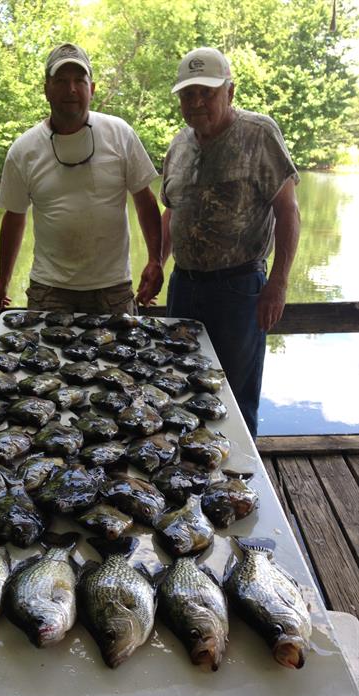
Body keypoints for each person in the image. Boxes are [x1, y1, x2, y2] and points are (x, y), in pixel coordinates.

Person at [161, 47, 300, 438]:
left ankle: (241, 472)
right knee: (179, 388)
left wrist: (279, 282)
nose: (197, 102)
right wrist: (156, 262)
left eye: (207, 92)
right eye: (188, 94)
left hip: (239, 289)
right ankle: (187, 466)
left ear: (230, 91)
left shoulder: (259, 133)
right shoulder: (178, 144)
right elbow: (171, 212)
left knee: (234, 398)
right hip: (183, 286)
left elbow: (288, 211)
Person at [0, 42, 162, 315]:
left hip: (113, 288)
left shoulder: (121, 134)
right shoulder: (23, 150)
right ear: (46, 89)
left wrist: (155, 260)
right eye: (61, 81)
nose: (71, 89)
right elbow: (14, 217)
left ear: (92, 88)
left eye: (79, 80)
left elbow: (145, 201)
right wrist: (3, 280)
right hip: (49, 289)